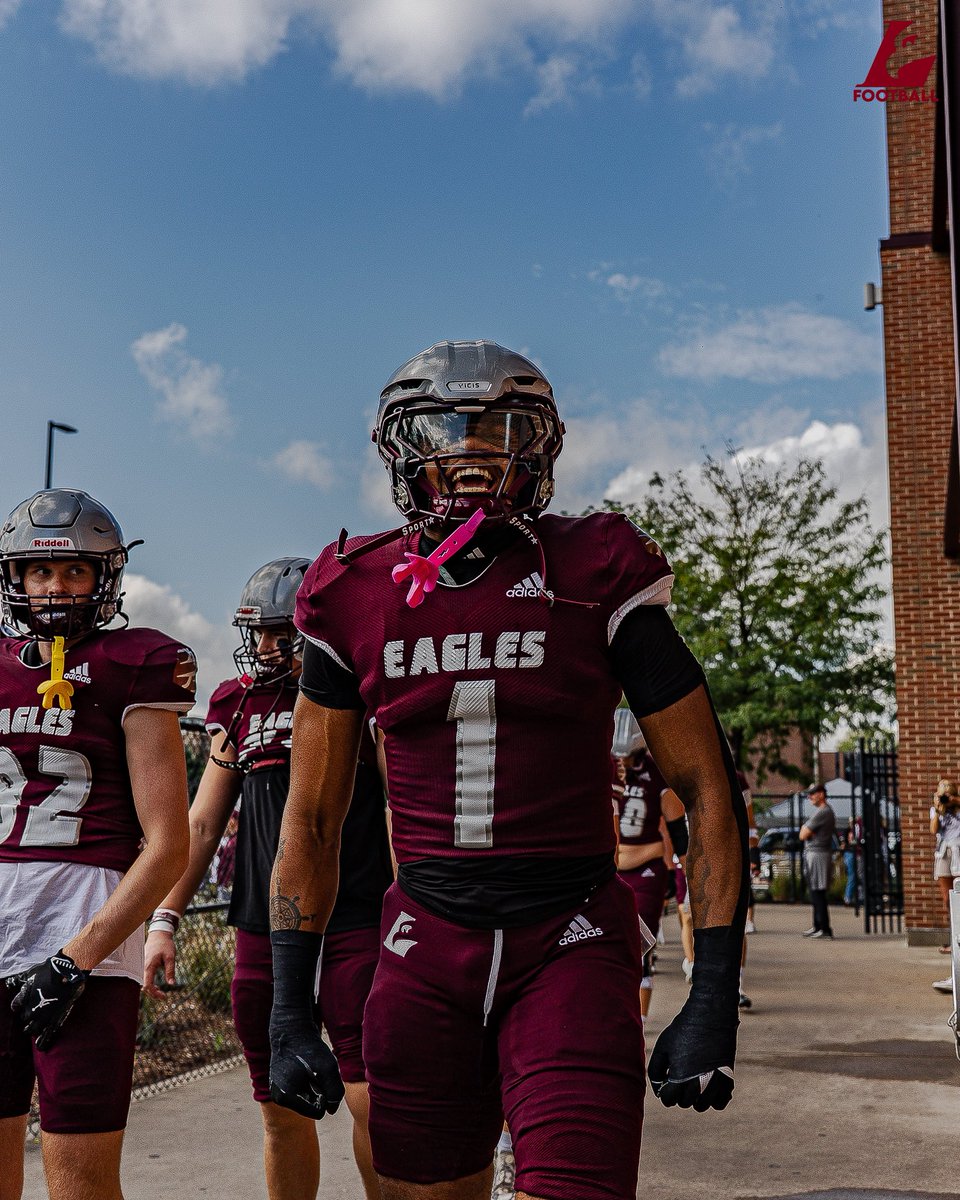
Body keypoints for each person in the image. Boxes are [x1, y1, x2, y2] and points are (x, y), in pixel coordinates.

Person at [266, 341, 749, 1200]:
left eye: (501, 426)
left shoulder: (597, 566)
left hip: (568, 939)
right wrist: (288, 1004)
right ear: (402, 447)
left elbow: (706, 786)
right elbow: (311, 818)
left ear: (541, 443)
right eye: (448, 427)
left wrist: (713, 988)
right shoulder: (350, 588)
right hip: (423, 947)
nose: (474, 448)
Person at [143, 559, 390, 1200]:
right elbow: (202, 826)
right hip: (261, 925)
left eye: (287, 636)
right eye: (263, 635)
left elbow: (397, 804)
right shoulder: (240, 703)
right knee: (281, 1109)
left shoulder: (362, 693)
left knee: (375, 1104)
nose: (271, 650)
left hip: (353, 918)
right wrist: (164, 919)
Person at [0, 488, 195, 1200]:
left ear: (104, 577)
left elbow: (169, 842)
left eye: (75, 572)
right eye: (40, 572)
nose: (55, 588)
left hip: (86, 935)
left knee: (80, 1187)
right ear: (15, 577)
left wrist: (74, 960)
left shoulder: (133, 662)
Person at [615, 733, 686, 1020]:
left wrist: (675, 869)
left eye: (624, 756)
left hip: (646, 867)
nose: (619, 761)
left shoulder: (657, 774)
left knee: (639, 944)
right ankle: (616, 1013)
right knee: (610, 944)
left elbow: (677, 831)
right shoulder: (605, 766)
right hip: (610, 869)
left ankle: (639, 1024)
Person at [799, 781, 836, 939]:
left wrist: (807, 830)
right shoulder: (821, 812)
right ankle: (817, 926)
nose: (810, 796)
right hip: (815, 853)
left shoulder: (823, 812)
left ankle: (824, 928)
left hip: (818, 854)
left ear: (821, 794)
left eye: (813, 793)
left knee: (818, 891)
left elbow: (802, 834)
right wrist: (807, 831)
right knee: (815, 891)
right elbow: (805, 833)